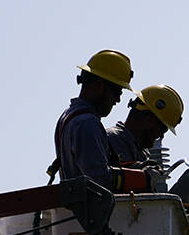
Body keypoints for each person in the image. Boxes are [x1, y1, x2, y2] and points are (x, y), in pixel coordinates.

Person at [51, 49, 147, 192]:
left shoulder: (70, 116)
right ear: (99, 85)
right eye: (116, 92)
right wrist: (142, 178)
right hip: (91, 212)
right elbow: (99, 179)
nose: (118, 100)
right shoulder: (87, 123)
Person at [106, 84, 184, 167]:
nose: (161, 136)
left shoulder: (139, 153)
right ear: (149, 120)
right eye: (163, 130)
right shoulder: (110, 142)